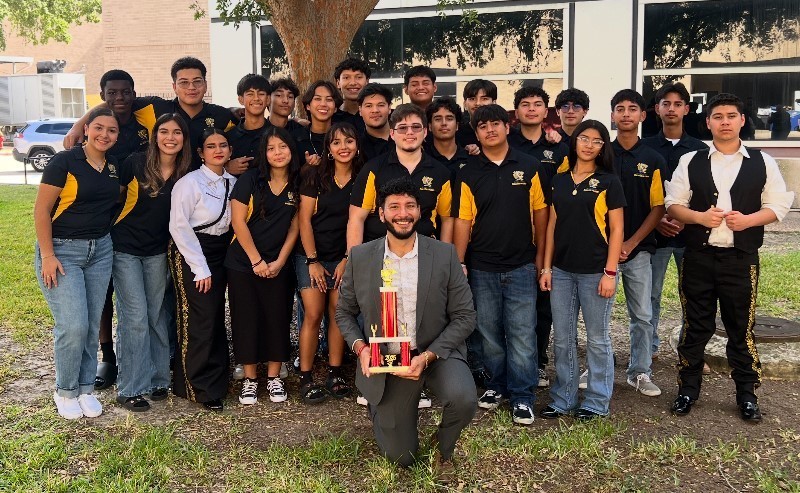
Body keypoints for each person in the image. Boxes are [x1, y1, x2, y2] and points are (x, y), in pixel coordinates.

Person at [665, 93, 794, 422]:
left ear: (741, 121)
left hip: (741, 258)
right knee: (696, 326)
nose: (724, 121)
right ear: (707, 122)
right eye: (717, 116)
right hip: (699, 256)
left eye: (731, 115)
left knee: (741, 328)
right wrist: (698, 218)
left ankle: (747, 394)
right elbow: (673, 204)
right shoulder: (691, 160)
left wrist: (748, 221)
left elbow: (779, 205)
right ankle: (687, 389)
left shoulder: (762, 161)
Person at [336, 177, 477, 475]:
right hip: (388, 359)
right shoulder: (360, 257)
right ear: (381, 213)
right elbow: (344, 314)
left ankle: (444, 447)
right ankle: (382, 407)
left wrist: (427, 357)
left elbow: (465, 316)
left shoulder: (444, 254)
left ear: (421, 212)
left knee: (464, 399)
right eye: (395, 206)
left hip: (435, 353)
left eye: (410, 206)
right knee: (402, 458)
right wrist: (360, 348)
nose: (403, 213)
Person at [452, 104, 548, 426]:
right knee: (489, 331)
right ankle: (496, 385)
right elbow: (463, 221)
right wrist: (460, 261)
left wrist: (539, 260)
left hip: (521, 265)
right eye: (482, 126)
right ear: (476, 132)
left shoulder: (530, 166)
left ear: (508, 127)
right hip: (481, 266)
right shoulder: (468, 171)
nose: (489, 130)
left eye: (495, 124)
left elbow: (542, 216)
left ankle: (522, 395)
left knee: (522, 332)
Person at [34, 106, 121, 419]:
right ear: (87, 128)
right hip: (62, 250)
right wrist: (47, 255)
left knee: (89, 326)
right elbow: (42, 210)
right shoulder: (65, 161)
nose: (104, 135)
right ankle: (65, 390)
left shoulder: (114, 167)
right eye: (98, 127)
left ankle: (85, 387)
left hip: (100, 250)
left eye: (111, 130)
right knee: (73, 325)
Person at [538, 119, 625, 421]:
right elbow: (551, 226)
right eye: (583, 138)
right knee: (562, 338)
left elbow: (616, 230)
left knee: (598, 339)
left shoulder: (609, 182)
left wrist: (610, 272)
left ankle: (597, 401)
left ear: (603, 147)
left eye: (597, 140)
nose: (589, 145)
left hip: (595, 273)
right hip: (561, 272)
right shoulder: (559, 180)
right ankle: (564, 397)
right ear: (574, 142)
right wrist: (546, 268)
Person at [112, 113, 192, 412]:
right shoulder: (134, 163)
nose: (170, 137)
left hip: (159, 251)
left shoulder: (188, 171)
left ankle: (159, 379)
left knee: (158, 313)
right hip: (126, 248)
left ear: (185, 139)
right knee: (134, 316)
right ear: (155, 135)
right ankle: (131, 386)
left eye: (177, 133)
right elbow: (114, 199)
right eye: (164, 132)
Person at [226, 127, 300, 405]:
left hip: (278, 264)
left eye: (283, 147)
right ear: (264, 153)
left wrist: (280, 261)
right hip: (243, 263)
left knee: (277, 317)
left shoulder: (297, 182)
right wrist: (256, 261)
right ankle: (249, 379)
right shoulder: (249, 180)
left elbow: (295, 226)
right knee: (245, 319)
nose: (277, 153)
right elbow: (238, 222)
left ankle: (274, 377)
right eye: (271, 148)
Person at [64, 57, 237, 171]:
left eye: (197, 82)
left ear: (205, 85)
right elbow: (116, 102)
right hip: (162, 187)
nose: (191, 88)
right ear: (174, 87)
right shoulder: (155, 107)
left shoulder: (221, 116)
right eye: (184, 82)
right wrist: (78, 126)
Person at [168, 128, 237, 411]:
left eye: (223, 145)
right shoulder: (190, 183)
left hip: (221, 251)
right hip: (191, 251)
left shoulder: (234, 182)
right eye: (210, 146)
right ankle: (194, 384)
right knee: (199, 317)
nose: (218, 150)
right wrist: (200, 267)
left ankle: (217, 379)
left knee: (216, 316)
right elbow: (179, 226)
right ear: (200, 152)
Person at [295, 123, 363, 404]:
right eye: (336, 143)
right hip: (311, 255)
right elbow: (304, 220)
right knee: (313, 313)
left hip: (344, 256)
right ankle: (307, 376)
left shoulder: (364, 177)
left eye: (349, 141)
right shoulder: (314, 175)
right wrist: (312, 261)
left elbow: (357, 222)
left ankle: (335, 372)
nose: (343, 147)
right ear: (329, 149)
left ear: (357, 146)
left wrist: (348, 258)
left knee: (338, 313)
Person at [508, 85, 569, 388]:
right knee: (512, 305)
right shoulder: (504, 144)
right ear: (516, 112)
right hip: (514, 233)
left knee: (542, 302)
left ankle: (539, 361)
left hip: (551, 232)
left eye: (537, 104)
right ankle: (513, 361)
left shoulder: (560, 147)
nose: (531, 109)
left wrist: (565, 139)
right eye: (525, 104)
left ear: (547, 112)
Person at [641, 82, 708, 358]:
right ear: (656, 109)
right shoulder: (644, 148)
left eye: (677, 104)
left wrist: (684, 219)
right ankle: (649, 349)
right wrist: (657, 220)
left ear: (686, 109)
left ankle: (689, 350)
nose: (671, 109)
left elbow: (704, 193)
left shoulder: (700, 150)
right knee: (650, 296)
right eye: (665, 103)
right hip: (654, 236)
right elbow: (638, 194)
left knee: (692, 296)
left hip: (689, 235)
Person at [93, 69, 150, 392]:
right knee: (104, 293)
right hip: (104, 218)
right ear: (103, 95)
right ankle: (108, 355)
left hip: (139, 218)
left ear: (133, 92)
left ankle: (146, 355)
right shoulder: (98, 127)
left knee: (139, 299)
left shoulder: (145, 120)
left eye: (125, 92)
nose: (120, 98)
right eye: (112, 93)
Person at [609, 89, 667, 397]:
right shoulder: (601, 153)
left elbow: (658, 207)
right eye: (620, 109)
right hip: (602, 251)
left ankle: (640, 371)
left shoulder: (653, 159)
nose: (627, 114)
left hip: (639, 250)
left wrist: (630, 242)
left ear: (643, 115)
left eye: (633, 109)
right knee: (598, 314)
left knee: (642, 314)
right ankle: (598, 365)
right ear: (613, 116)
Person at [348, 103, 453, 247]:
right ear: (392, 134)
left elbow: (447, 220)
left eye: (416, 127)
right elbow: (356, 218)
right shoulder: (373, 169)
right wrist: (355, 261)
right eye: (402, 128)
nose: (410, 132)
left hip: (424, 252)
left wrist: (445, 258)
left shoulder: (440, 172)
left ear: (425, 131)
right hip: (379, 253)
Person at [224, 74, 272, 175]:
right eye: (250, 94)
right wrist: (226, 167)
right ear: (241, 99)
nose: (256, 98)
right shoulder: (229, 138)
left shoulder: (277, 135)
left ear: (268, 99)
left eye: (261, 94)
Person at [295, 80, 342, 167]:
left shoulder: (343, 137)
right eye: (317, 99)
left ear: (335, 108)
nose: (323, 104)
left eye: (329, 99)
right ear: (308, 106)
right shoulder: (296, 138)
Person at [424, 97, 470, 179]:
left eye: (449, 119)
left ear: (457, 125)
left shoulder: (471, 158)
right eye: (438, 119)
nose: (444, 123)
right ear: (430, 126)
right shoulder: (422, 159)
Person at [332, 57, 370, 133]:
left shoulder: (377, 115)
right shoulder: (331, 117)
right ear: (338, 83)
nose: (353, 83)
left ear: (367, 81)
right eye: (346, 78)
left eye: (358, 77)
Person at [357, 82, 393, 162]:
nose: (375, 110)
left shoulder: (405, 138)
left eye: (380, 105)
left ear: (389, 107)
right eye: (369, 106)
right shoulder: (357, 147)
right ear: (360, 110)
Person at [457, 79, 497, 149]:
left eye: (484, 99)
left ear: (494, 102)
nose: (478, 103)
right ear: (465, 104)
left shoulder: (504, 132)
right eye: (472, 99)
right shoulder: (457, 135)